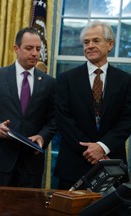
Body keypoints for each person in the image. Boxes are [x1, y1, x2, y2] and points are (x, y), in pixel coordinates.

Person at [54, 21, 131, 190]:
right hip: (74, 165)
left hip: (111, 165)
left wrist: (102, 147)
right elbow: (63, 119)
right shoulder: (66, 79)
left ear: (110, 44)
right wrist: (91, 150)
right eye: (86, 42)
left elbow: (127, 120)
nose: (90, 46)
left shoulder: (125, 81)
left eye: (96, 41)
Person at [0, 27, 56, 188]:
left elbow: (53, 119)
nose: (35, 53)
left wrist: (42, 137)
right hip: (0, 160)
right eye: (29, 48)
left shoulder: (49, 82)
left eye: (38, 49)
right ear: (16, 48)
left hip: (31, 164)